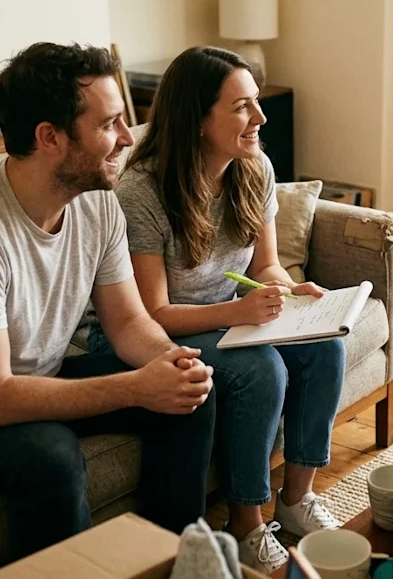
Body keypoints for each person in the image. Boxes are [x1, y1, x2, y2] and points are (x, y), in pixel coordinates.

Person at [0, 42, 218, 558]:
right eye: (109, 125)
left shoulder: (98, 204)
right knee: (52, 455)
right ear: (49, 138)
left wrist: (167, 362)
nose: (128, 138)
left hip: (35, 377)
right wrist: (135, 388)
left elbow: (127, 322)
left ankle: (172, 563)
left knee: (188, 398)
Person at [87, 46, 345, 573]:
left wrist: (291, 293)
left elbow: (269, 265)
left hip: (224, 316)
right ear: (198, 118)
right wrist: (239, 313)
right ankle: (246, 523)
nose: (260, 117)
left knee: (325, 343)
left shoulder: (254, 168)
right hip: (144, 332)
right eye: (242, 106)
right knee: (260, 370)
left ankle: (295, 502)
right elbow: (148, 313)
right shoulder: (143, 192)